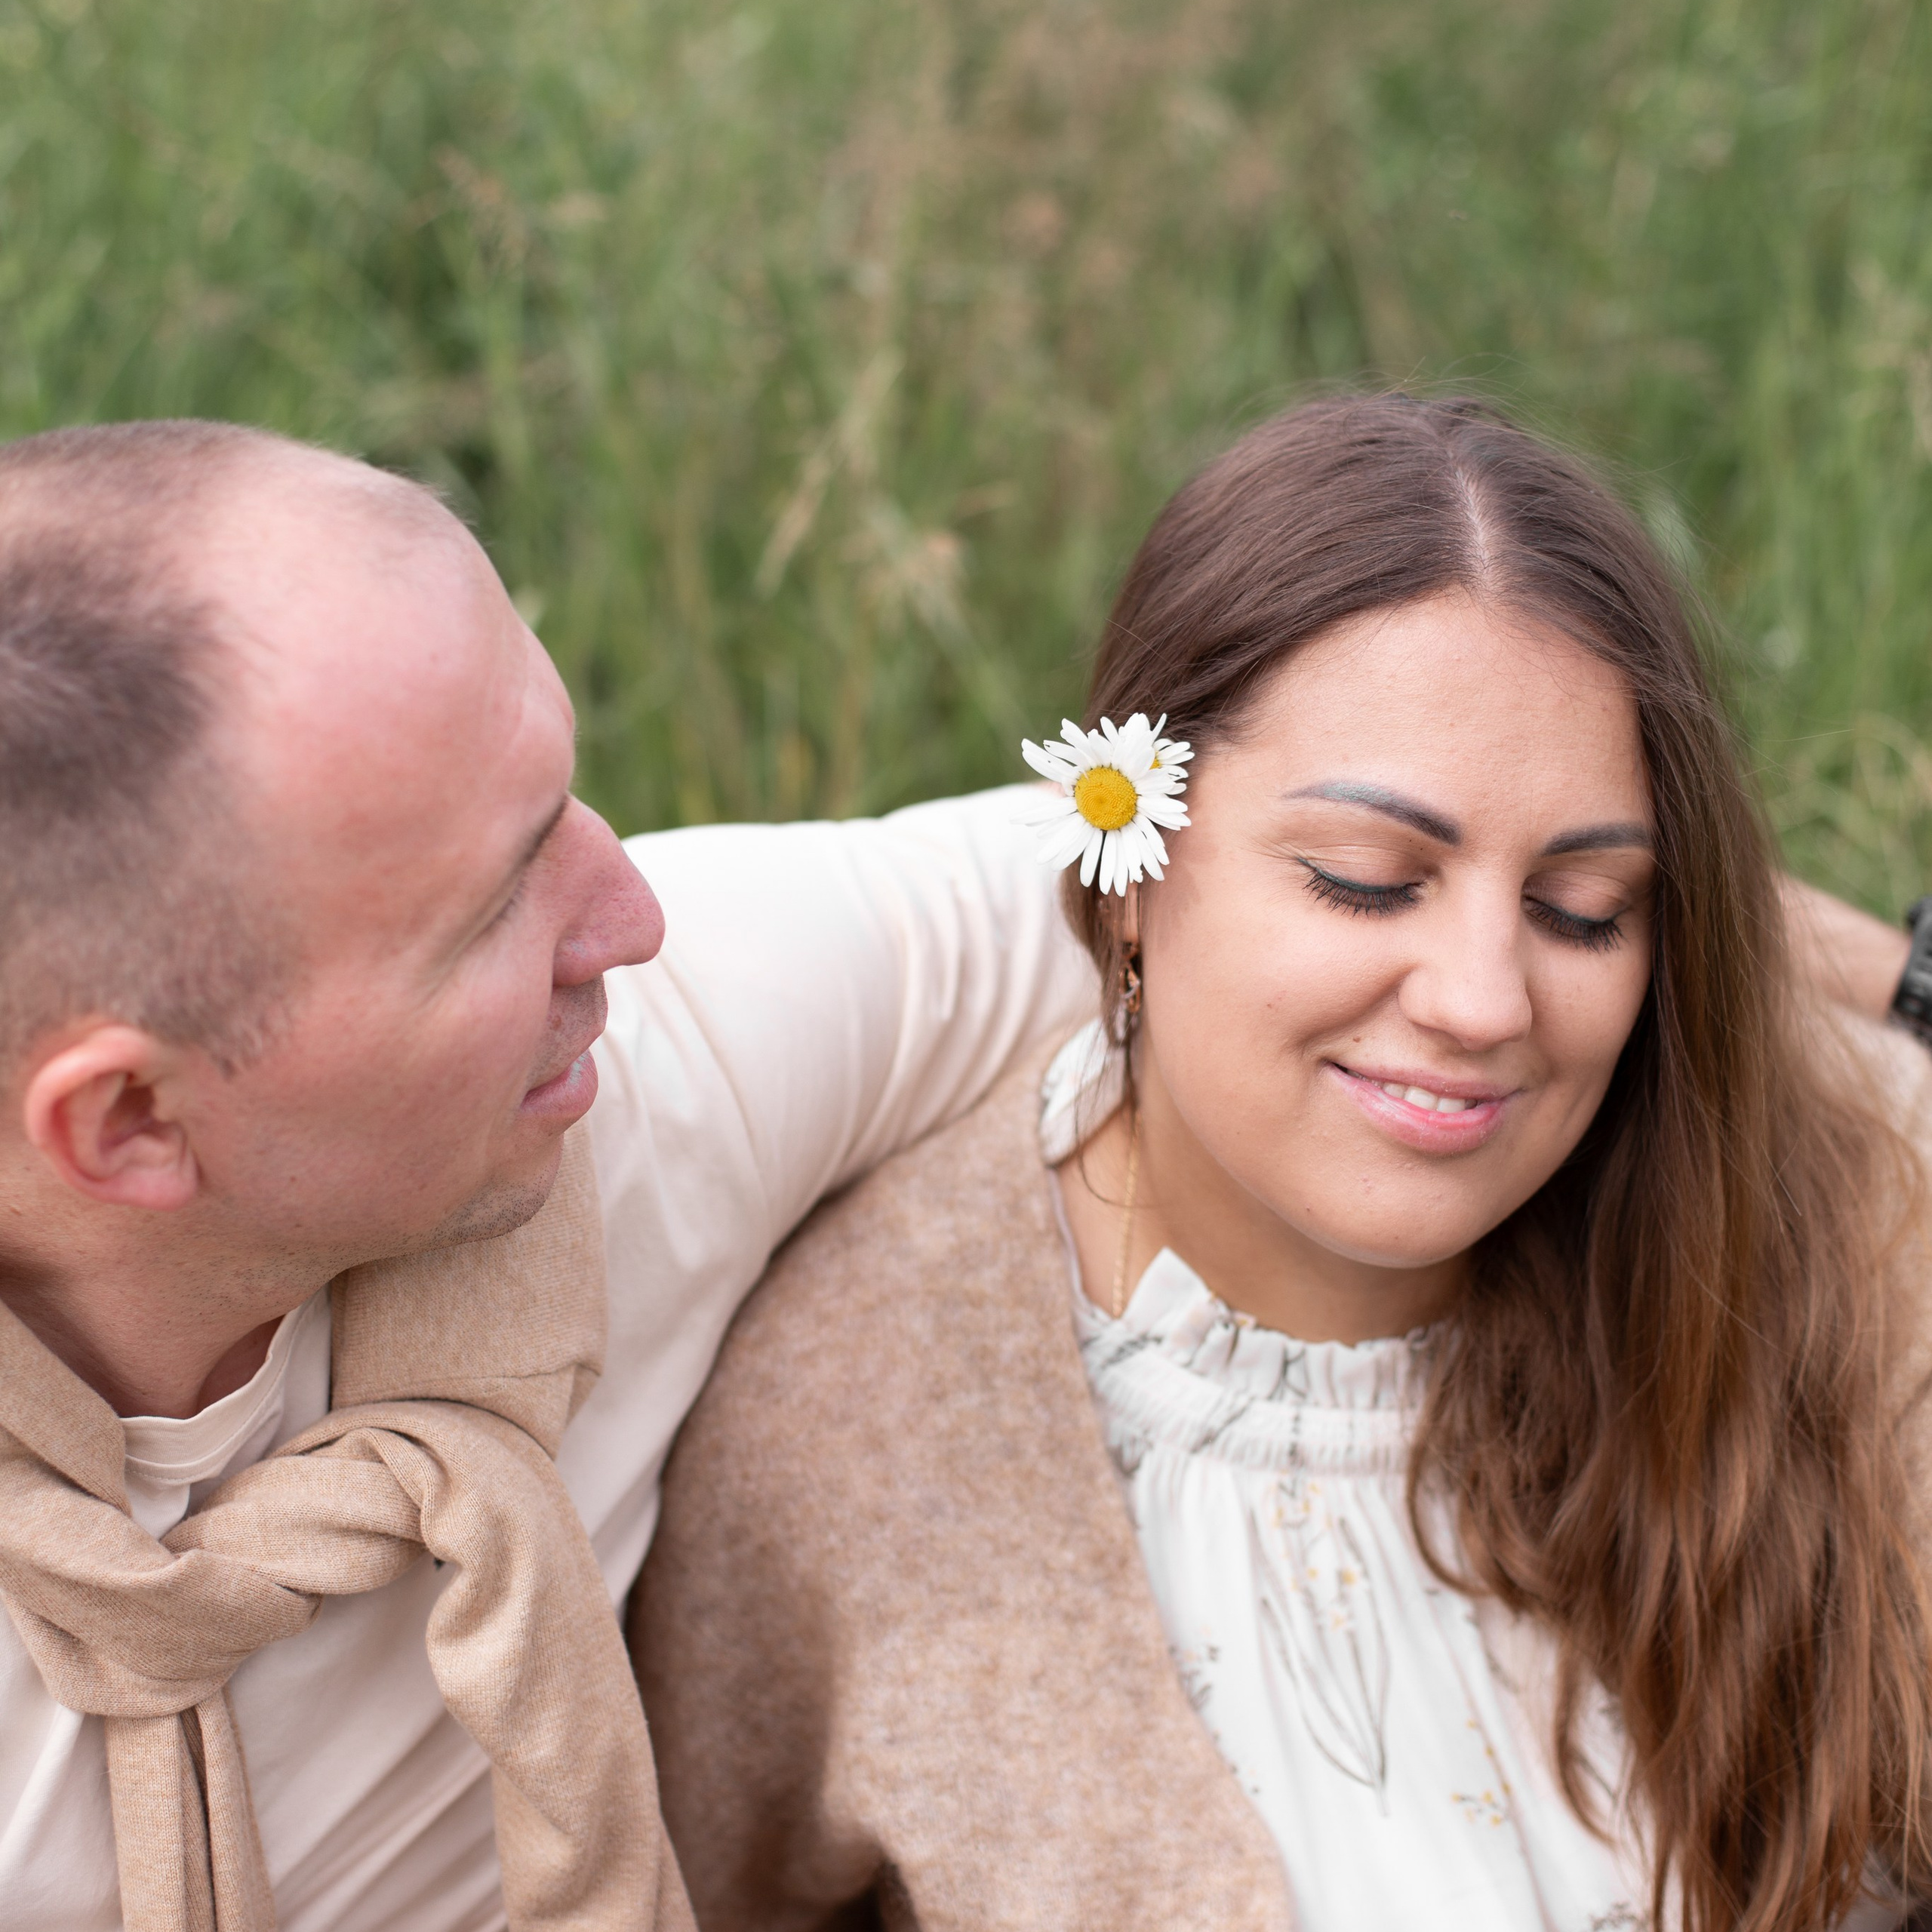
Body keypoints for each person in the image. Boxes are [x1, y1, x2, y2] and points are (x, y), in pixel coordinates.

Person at [632, 395, 1932, 1932]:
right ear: (1129, 869)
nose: (1480, 1000)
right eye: (1364, 881)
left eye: (1582, 906)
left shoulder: (1842, 1236)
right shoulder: (845, 1409)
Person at [0, 420, 1097, 1931]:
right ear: (126, 1117)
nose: (629, 914)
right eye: (499, 900)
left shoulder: (656, 1072)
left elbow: (1199, 876)